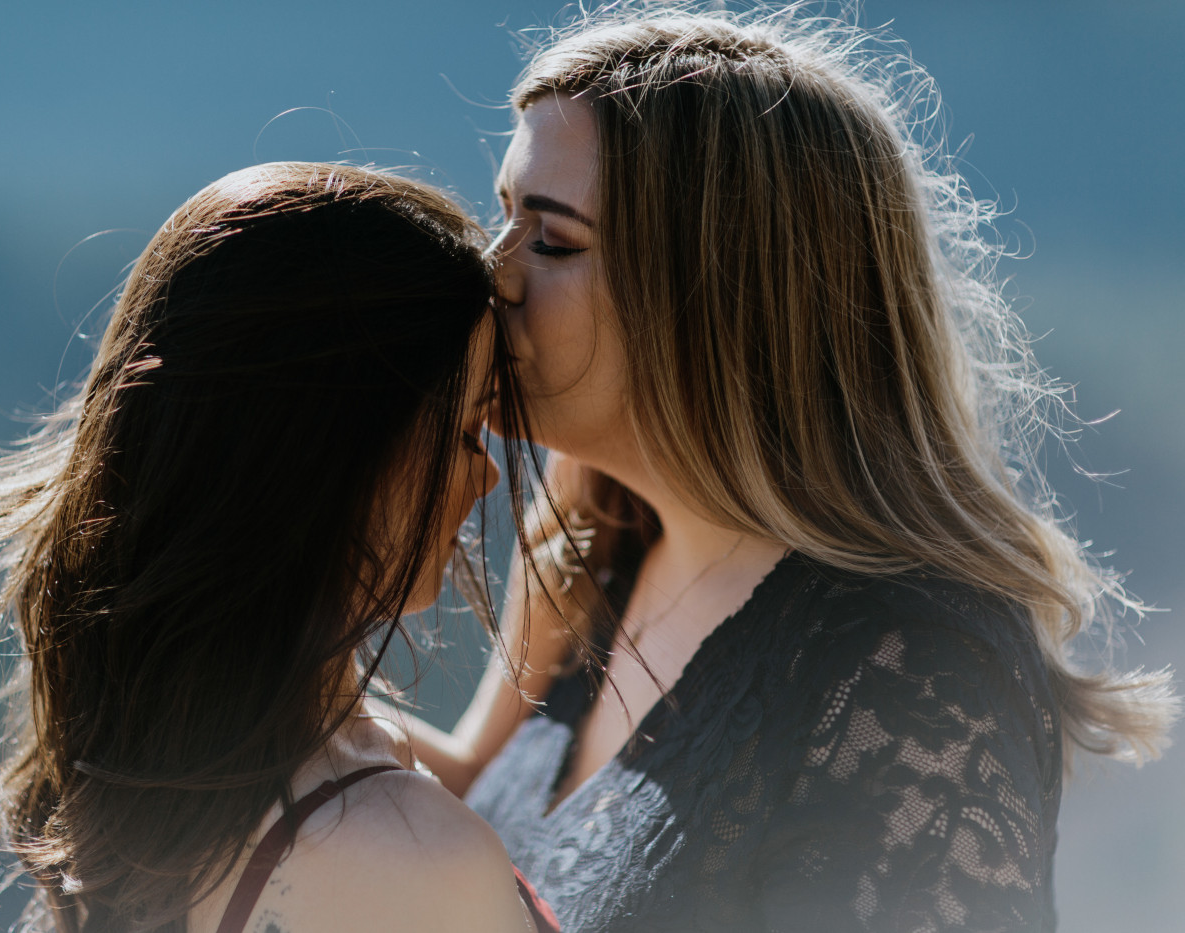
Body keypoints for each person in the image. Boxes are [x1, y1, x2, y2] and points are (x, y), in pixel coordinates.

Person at [390, 7, 1179, 932]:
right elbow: (471, 787)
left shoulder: (909, 667)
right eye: (503, 215)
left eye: (553, 240)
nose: (495, 272)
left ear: (722, 291)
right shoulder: (591, 538)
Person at [0, 162, 558, 933]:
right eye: (461, 430)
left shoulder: (171, 757)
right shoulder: (414, 862)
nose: (488, 473)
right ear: (332, 459)